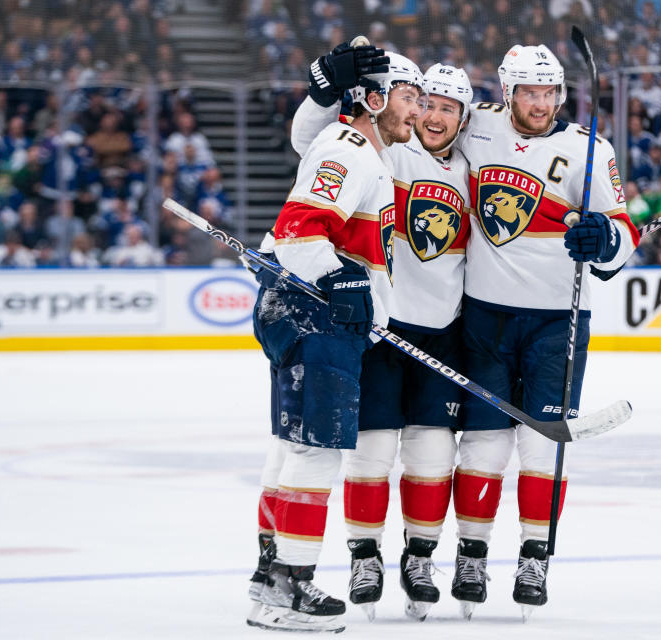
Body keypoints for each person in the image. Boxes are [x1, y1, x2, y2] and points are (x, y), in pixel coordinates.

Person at [448, 43, 638, 619]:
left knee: (543, 443)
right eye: (529, 92)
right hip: (484, 314)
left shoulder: (589, 148)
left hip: (558, 322)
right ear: (508, 92)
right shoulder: (474, 128)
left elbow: (624, 230)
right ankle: (472, 554)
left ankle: (535, 556)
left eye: (550, 92)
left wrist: (603, 240)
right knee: (482, 440)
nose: (541, 103)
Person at [244, 45, 425, 634]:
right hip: (315, 318)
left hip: (308, 315)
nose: (416, 111)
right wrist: (343, 278)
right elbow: (296, 236)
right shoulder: (353, 154)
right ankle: (288, 590)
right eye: (406, 97)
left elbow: (309, 139)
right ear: (373, 100)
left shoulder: (356, 147)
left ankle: (272, 578)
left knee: (293, 446)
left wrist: (357, 287)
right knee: (314, 450)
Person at [289, 57, 473, 622]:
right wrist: (325, 89)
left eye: (443, 106)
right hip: (379, 326)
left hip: (440, 328)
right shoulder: (386, 148)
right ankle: (362, 555)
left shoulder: (471, 162)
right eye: (421, 101)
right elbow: (311, 139)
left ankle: (419, 557)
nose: (429, 114)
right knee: (365, 450)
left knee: (433, 452)